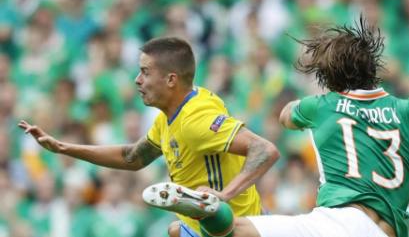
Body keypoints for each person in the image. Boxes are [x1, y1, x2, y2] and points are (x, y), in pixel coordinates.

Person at [143, 19, 409, 237]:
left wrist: (316, 101)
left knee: (242, 230)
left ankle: (203, 206)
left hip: (336, 223)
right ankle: (200, 212)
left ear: (329, 76)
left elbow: (286, 115)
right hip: (382, 229)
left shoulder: (320, 106)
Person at [18, 36, 280, 237]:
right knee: (174, 230)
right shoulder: (169, 117)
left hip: (232, 229)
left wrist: (223, 196)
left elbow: (265, 150)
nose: (137, 80)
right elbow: (133, 157)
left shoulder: (195, 120)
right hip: (207, 229)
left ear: (171, 80)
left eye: (145, 72)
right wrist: (63, 148)